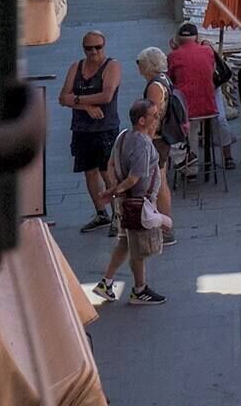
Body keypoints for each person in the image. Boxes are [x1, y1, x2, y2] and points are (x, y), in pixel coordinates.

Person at [90, 100, 168, 306]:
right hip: (138, 204)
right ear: (142, 121)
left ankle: (106, 283)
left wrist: (114, 191)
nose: (157, 119)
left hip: (126, 202)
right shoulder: (142, 144)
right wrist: (113, 191)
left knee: (125, 242)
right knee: (139, 249)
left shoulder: (123, 136)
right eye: (154, 115)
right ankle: (139, 290)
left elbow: (111, 163)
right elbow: (134, 177)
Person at [60, 30, 122, 232]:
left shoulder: (111, 66)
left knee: (107, 173)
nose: (94, 51)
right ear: (83, 49)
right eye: (89, 48)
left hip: (105, 128)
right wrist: (85, 106)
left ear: (104, 46)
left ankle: (118, 215)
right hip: (82, 129)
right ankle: (101, 213)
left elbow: (107, 96)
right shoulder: (76, 67)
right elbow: (62, 98)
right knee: (89, 173)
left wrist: (76, 100)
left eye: (98, 47)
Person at [167, 20, 233, 171]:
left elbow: (171, 80)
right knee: (220, 119)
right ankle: (227, 156)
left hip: (190, 109)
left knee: (188, 126)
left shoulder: (173, 56)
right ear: (196, 37)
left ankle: (191, 168)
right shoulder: (207, 50)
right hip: (209, 103)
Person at [134, 46, 181, 240]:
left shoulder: (155, 85)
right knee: (159, 183)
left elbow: (153, 116)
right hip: (161, 139)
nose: (138, 67)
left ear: (148, 65)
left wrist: (145, 138)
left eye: (140, 63)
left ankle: (165, 229)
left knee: (159, 184)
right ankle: (162, 226)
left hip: (156, 139)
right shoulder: (164, 80)